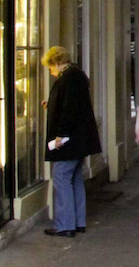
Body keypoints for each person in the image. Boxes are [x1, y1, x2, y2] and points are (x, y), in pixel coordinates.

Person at [42, 45, 101, 238]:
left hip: (70, 138)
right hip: (80, 138)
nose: (51, 71)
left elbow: (69, 109)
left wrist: (61, 134)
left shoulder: (68, 79)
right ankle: (78, 221)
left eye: (50, 67)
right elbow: (70, 104)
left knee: (61, 176)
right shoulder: (76, 77)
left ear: (57, 62)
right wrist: (51, 105)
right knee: (74, 178)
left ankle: (65, 224)